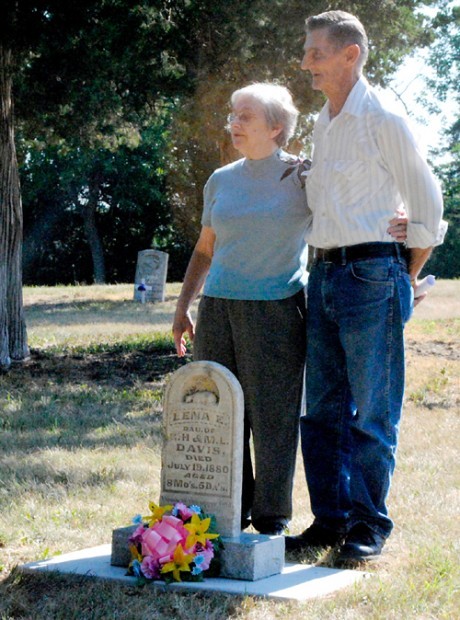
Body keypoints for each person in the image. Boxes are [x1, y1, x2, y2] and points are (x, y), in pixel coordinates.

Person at [285, 11, 447, 565]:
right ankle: (329, 520)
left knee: (373, 412)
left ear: (350, 55)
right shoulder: (324, 122)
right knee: (321, 409)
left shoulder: (383, 118)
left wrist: (402, 272)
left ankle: (368, 524)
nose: (306, 63)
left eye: (316, 53)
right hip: (324, 273)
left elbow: (427, 206)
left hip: (371, 274)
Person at [172, 83, 311, 535]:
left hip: (277, 308)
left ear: (275, 127)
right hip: (217, 308)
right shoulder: (221, 179)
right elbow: (204, 249)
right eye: (232, 114)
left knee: (272, 416)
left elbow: (344, 217)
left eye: (245, 116)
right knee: (216, 412)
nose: (233, 122)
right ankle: (227, 510)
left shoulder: (304, 175)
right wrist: (183, 307)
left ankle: (271, 518)